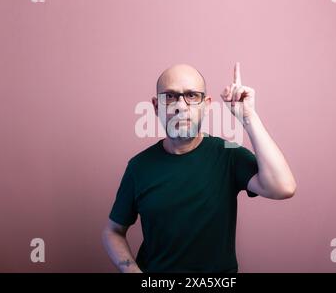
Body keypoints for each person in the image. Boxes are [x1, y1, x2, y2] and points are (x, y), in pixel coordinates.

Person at [102, 62, 297, 273]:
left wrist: (248, 117)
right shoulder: (139, 167)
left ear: (206, 105)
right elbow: (112, 232)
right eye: (169, 96)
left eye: (192, 96)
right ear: (156, 106)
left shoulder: (227, 154)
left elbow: (283, 187)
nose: (181, 106)